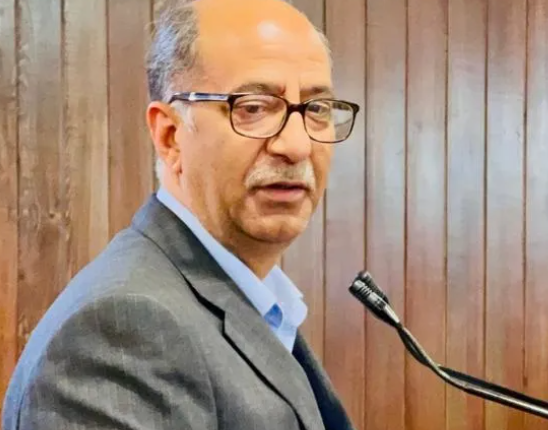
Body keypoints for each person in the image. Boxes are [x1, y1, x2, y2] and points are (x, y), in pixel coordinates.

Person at [2, 0, 359, 428]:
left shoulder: (256, 301)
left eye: (316, 109)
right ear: (170, 136)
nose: (297, 146)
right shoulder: (122, 329)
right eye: (253, 107)